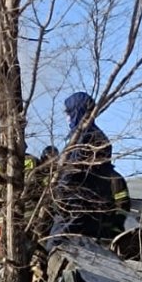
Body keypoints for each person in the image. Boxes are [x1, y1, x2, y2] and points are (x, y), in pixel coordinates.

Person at [51, 92, 117, 239]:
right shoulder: (95, 135)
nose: (67, 117)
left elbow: (72, 171)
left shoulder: (85, 137)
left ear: (77, 111)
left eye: (68, 112)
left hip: (75, 207)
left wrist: (59, 196)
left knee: (58, 246)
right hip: (91, 208)